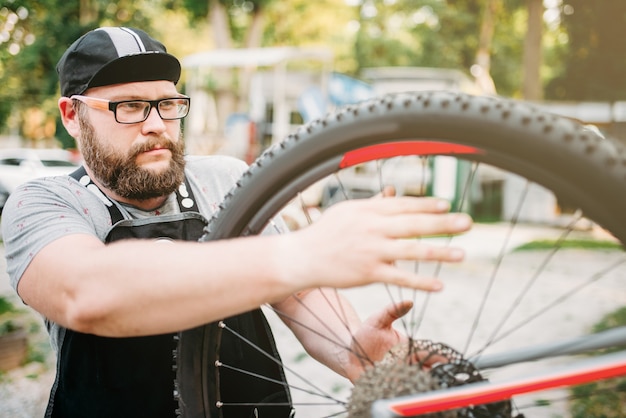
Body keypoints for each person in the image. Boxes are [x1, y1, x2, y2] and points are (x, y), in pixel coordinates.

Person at [1, 27, 472, 418]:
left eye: (167, 104)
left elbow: (300, 293)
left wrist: (351, 346)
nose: (156, 124)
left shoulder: (225, 179)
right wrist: (301, 253)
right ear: (72, 115)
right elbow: (87, 293)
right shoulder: (43, 203)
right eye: (129, 106)